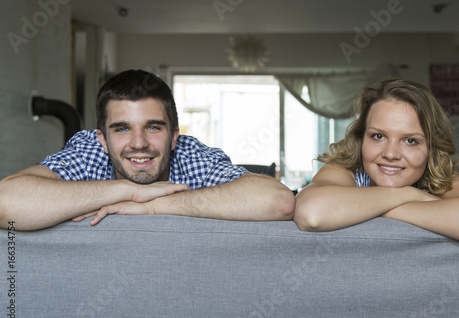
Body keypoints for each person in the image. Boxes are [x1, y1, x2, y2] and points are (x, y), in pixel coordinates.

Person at [0, 69, 295, 230]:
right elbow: (6, 203)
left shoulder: (191, 155)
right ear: (101, 139)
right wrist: (129, 190)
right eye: (122, 128)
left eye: (153, 127)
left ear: (174, 137)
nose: (138, 142)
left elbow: (279, 202)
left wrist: (154, 206)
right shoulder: (88, 152)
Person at [294, 78, 459, 246]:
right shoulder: (346, 169)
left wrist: (380, 207)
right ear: (361, 138)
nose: (391, 154)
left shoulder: (439, 178)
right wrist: (409, 194)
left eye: (411, 141)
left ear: (431, 148)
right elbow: (312, 212)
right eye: (378, 136)